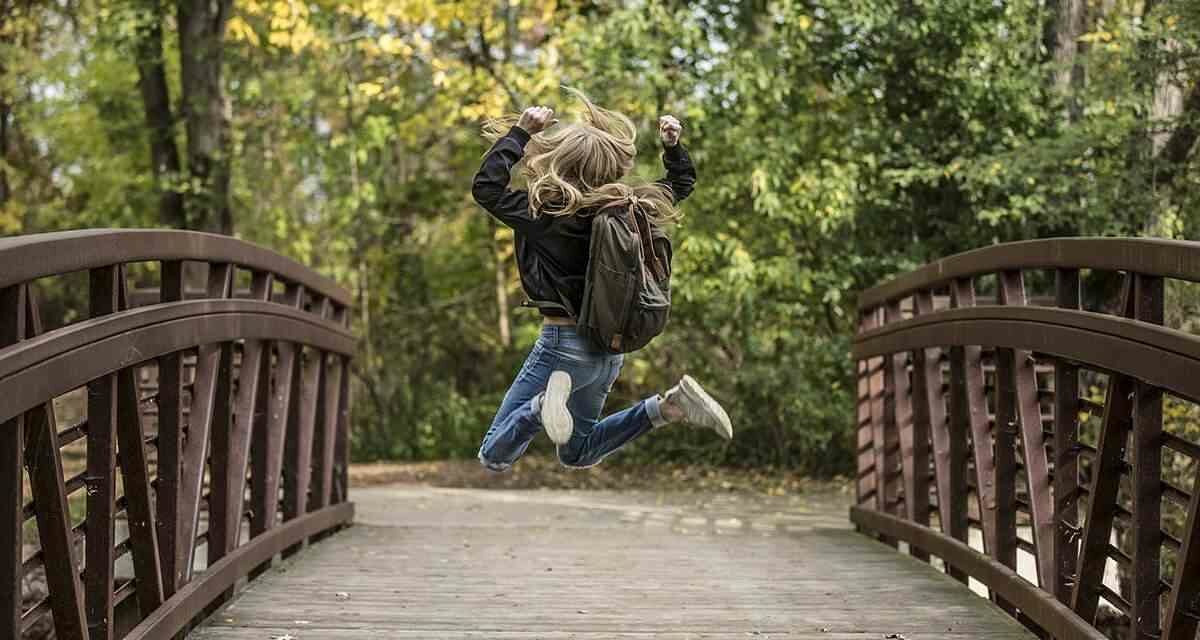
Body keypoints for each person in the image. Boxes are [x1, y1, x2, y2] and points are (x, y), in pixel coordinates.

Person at [471, 89, 732, 472]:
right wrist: (673, 149)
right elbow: (680, 185)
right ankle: (668, 407)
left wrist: (521, 132)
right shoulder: (631, 208)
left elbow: (486, 189)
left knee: (493, 454)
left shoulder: (545, 212)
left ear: (561, 161)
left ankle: (543, 405)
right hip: (608, 351)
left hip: (562, 347)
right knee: (578, 452)